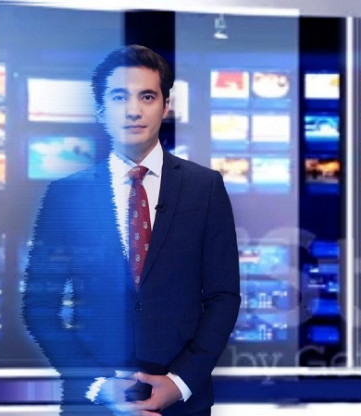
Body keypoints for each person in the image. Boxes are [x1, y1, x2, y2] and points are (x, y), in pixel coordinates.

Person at [23, 44, 240, 416]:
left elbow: (223, 297)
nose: (134, 110)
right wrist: (97, 384)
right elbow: (39, 307)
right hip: (93, 407)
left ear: (166, 106)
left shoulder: (205, 188)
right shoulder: (65, 195)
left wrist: (180, 382)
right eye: (119, 97)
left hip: (182, 406)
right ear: (100, 108)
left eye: (147, 96)